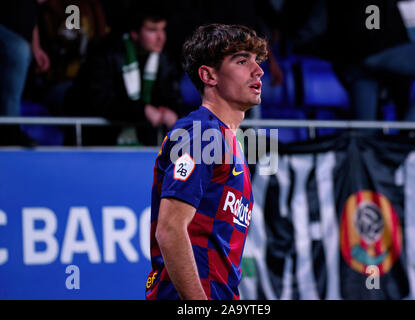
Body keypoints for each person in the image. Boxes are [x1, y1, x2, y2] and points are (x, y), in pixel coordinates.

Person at [145, 24, 268, 300]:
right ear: (208, 75)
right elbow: (170, 229)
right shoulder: (203, 135)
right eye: (241, 60)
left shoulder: (229, 141)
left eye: (256, 61)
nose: (257, 70)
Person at [63, 5, 182, 146]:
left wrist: (170, 110)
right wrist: (142, 110)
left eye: (162, 29)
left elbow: (172, 96)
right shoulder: (105, 53)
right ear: (135, 33)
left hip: (144, 144)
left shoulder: (163, 59)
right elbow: (100, 102)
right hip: (99, 141)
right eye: (152, 30)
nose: (160, 37)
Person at [0, 0, 50, 146]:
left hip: (17, 34)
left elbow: (31, 10)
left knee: (20, 51)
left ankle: (10, 127)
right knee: (17, 50)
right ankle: (9, 129)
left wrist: (36, 47)